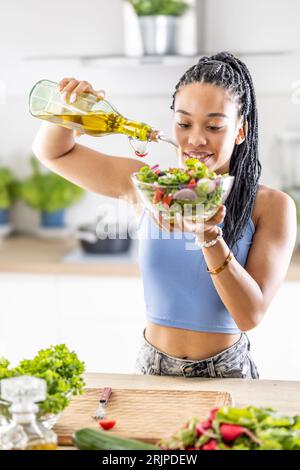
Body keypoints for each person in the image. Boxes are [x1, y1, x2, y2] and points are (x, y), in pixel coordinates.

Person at [32, 52, 297, 379]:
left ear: (240, 131)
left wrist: (208, 235)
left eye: (214, 126)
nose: (195, 139)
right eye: (184, 123)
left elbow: (249, 315)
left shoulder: (272, 206)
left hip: (226, 371)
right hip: (151, 368)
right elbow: (53, 152)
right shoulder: (148, 186)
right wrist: (66, 109)